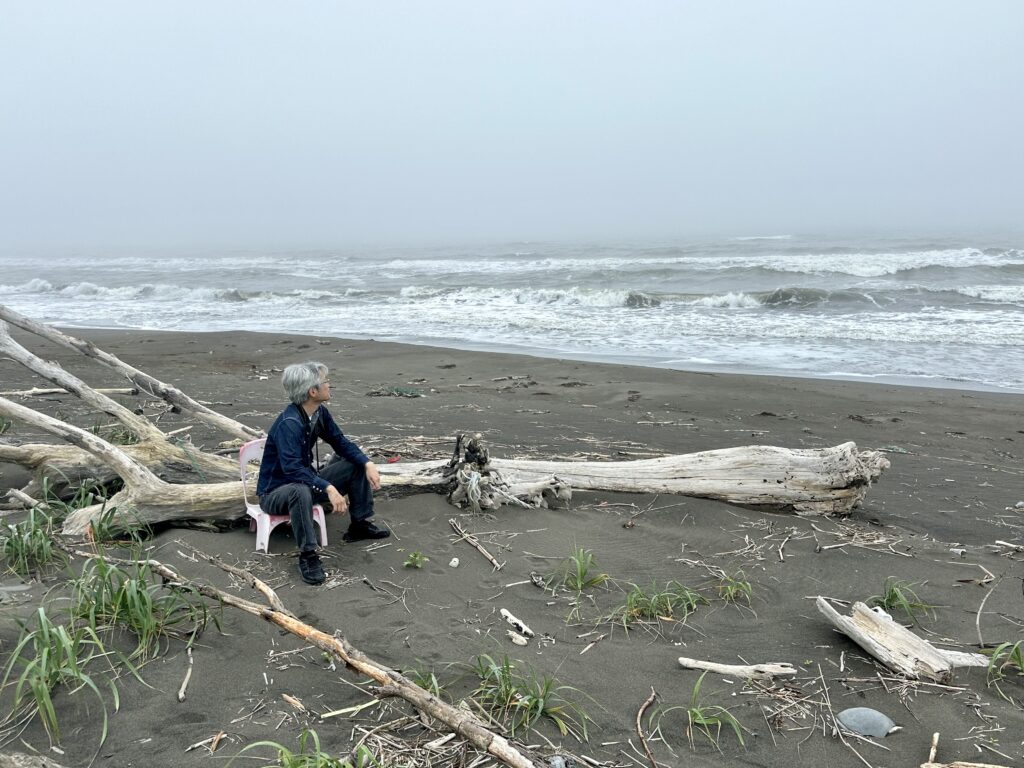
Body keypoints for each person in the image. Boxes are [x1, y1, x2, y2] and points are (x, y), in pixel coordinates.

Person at [256, 361, 389, 584]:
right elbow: (293, 470)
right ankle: (308, 555)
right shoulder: (289, 423)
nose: (330, 385)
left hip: (305, 484)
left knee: (354, 464)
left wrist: (367, 463)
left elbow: (340, 442)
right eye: (326, 382)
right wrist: (328, 488)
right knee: (299, 490)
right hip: (275, 493)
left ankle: (359, 525)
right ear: (312, 391)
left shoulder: (318, 413)